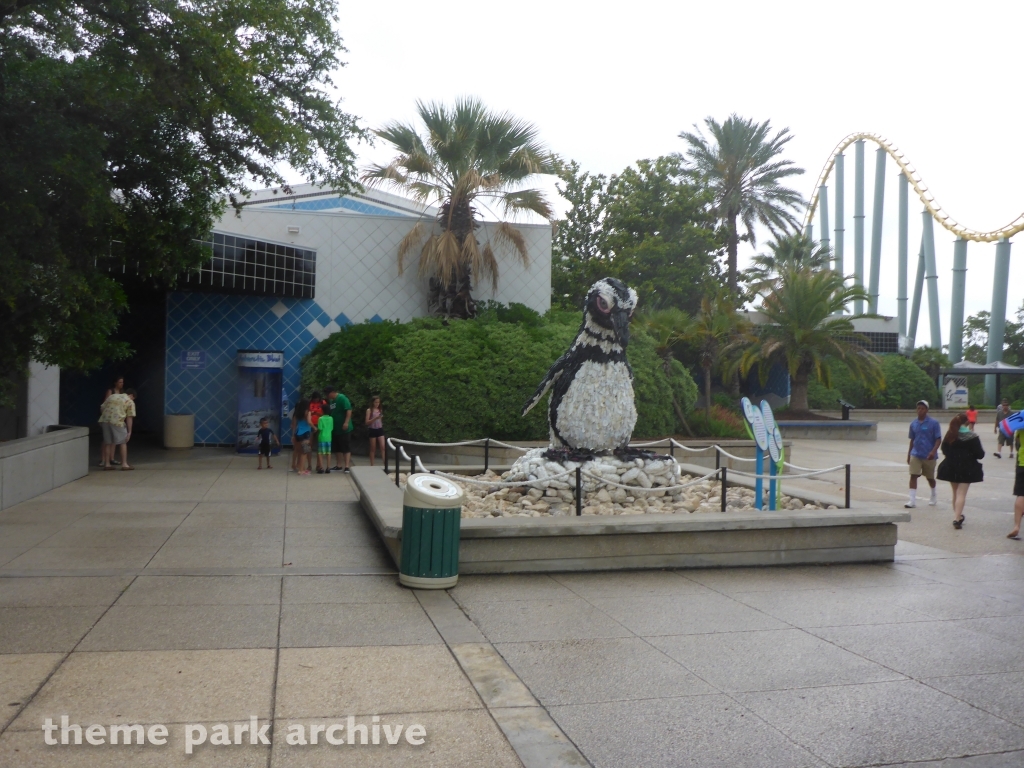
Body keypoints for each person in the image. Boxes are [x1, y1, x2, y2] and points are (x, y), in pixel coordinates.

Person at [936, 413, 984, 529]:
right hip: (967, 467)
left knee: (955, 493)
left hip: (952, 467)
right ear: (967, 422)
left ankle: (957, 516)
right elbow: (980, 454)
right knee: (961, 494)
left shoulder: (950, 435)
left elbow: (944, 450)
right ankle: (957, 518)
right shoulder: (972, 436)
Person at [906, 400, 942, 509]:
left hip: (928, 455)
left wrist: (933, 451)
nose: (920, 410)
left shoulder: (934, 423)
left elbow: (938, 439)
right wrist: (909, 454)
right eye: (918, 408)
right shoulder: (913, 424)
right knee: (913, 475)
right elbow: (912, 440)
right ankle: (912, 500)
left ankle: (933, 494)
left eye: (922, 408)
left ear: (926, 410)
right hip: (916, 454)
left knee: (930, 478)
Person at [98, 388, 136, 471]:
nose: (133, 400)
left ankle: (107, 464)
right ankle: (124, 464)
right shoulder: (129, 401)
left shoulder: (112, 396)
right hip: (117, 422)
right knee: (123, 442)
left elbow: (102, 407)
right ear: (131, 395)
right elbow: (129, 417)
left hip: (105, 421)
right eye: (134, 398)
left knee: (108, 442)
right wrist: (129, 432)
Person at [98, 376, 125, 466]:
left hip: (116, 418)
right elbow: (106, 403)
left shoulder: (121, 393)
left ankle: (111, 458)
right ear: (115, 383)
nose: (121, 384)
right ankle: (103, 459)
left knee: (113, 439)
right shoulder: (111, 391)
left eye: (122, 382)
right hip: (109, 417)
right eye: (120, 382)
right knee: (106, 440)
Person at [326, 386, 353, 473]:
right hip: (335, 427)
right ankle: (339, 465)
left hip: (344, 427)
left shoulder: (342, 398)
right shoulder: (331, 401)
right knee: (337, 447)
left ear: (332, 392)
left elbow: (348, 410)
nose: (327, 396)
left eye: (328, 394)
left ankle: (347, 466)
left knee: (345, 446)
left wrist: (346, 422)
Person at [291, 399, 312, 475]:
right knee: (305, 451)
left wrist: (293, 436)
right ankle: (301, 470)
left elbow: (294, 425)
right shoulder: (307, 412)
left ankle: (301, 468)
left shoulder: (296, 414)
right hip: (306, 433)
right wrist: (314, 427)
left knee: (300, 452)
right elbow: (309, 422)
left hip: (297, 433)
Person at [1010, 429, 1023, 540]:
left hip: (1022, 462)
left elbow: (1017, 444)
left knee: (1021, 494)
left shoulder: (1021, 427)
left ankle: (1017, 526)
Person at [308, 391, 325, 472]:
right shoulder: (309, 403)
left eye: (317, 399)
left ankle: (319, 465)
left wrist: (318, 414)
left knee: (319, 445)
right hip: (311, 425)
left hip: (319, 424)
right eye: (314, 399)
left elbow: (326, 413)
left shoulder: (323, 402)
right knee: (309, 445)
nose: (316, 400)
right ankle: (309, 464)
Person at [365, 396, 385, 467]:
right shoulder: (369, 410)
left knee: (383, 447)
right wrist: (375, 418)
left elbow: (380, 420)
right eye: (376, 402)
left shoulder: (380, 410)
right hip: (372, 429)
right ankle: (372, 464)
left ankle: (385, 464)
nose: (377, 404)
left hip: (379, 429)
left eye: (378, 402)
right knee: (373, 448)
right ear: (373, 402)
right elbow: (367, 422)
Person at [316, 410, 334, 474]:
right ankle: (328, 467)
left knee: (320, 453)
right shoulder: (331, 418)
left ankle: (321, 468)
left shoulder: (320, 418)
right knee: (328, 453)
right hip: (329, 437)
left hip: (322, 437)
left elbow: (320, 428)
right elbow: (332, 428)